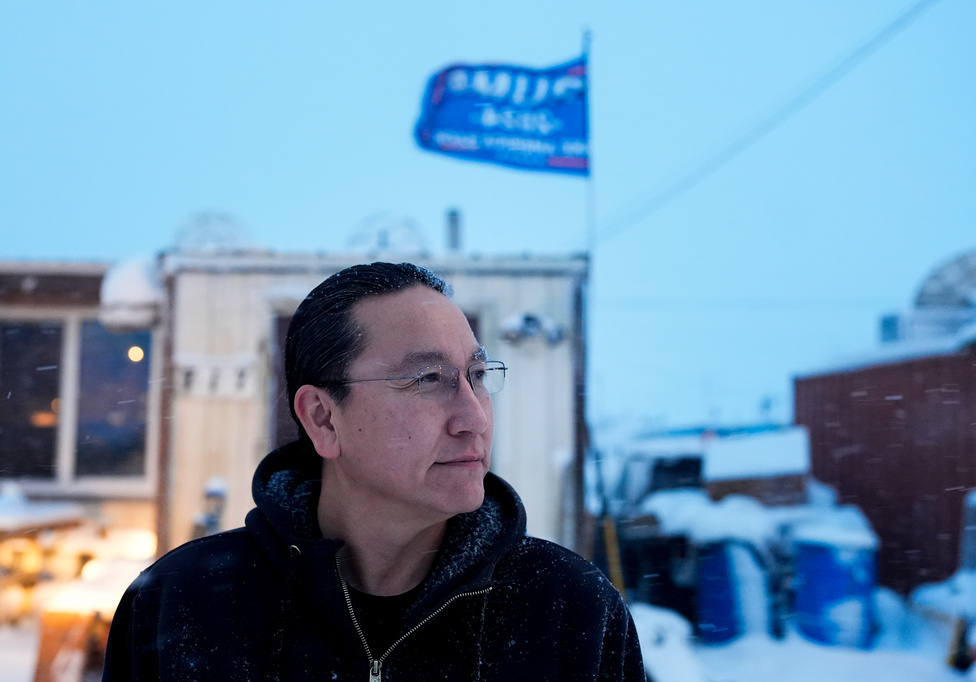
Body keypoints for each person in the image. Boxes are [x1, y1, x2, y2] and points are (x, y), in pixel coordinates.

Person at [102, 261, 645, 681]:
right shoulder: (183, 605)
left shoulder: (570, 610)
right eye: (427, 379)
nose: (473, 418)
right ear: (323, 417)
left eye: (477, 375)